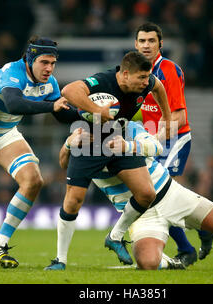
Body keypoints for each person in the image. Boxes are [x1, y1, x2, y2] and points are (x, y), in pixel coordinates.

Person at [54, 122, 213, 270]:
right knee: (147, 263)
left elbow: (157, 145)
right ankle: (174, 263)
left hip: (170, 194)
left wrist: (129, 146)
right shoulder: (78, 142)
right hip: (141, 215)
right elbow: (64, 163)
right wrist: (68, 143)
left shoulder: (127, 128)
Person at [44, 51, 172, 270]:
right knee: (73, 200)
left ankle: (115, 236)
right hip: (89, 140)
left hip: (118, 139)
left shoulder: (147, 81)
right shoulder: (103, 81)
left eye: (146, 77)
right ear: (124, 74)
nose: (145, 82)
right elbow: (69, 90)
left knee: (146, 194)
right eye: (140, 78)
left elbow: (158, 86)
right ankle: (60, 260)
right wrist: (96, 110)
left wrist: (167, 118)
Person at [0, 35, 72, 268]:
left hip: (5, 133)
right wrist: (52, 105)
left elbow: (62, 115)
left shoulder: (50, 84)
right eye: (44, 62)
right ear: (30, 59)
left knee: (33, 180)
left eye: (53, 63)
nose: (49, 68)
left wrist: (91, 115)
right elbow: (14, 104)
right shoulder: (11, 73)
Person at [134, 22, 213, 266]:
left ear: (160, 44)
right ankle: (202, 228)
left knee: (159, 193)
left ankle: (187, 247)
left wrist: (157, 137)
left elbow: (179, 116)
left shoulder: (168, 70)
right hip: (152, 141)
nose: (146, 45)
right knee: (158, 195)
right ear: (135, 44)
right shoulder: (134, 70)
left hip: (174, 138)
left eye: (151, 41)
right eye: (142, 41)